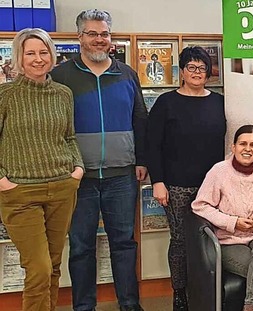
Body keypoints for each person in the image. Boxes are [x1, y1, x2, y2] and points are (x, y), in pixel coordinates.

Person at [50, 9, 147, 311]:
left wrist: (141, 160)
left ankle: (130, 305)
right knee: (80, 248)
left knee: (124, 245)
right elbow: (52, 127)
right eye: (92, 33)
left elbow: (140, 119)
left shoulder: (127, 74)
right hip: (79, 179)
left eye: (103, 33)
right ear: (79, 37)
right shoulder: (60, 77)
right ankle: (83, 307)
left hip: (122, 176)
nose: (99, 39)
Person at [0, 28, 84, 311]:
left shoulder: (63, 94)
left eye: (43, 52)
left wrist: (77, 169)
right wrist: (2, 181)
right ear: (19, 58)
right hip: (20, 193)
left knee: (53, 266)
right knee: (38, 269)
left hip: (62, 187)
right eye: (31, 53)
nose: (38, 59)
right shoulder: (6, 95)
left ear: (52, 55)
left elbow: (69, 136)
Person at [146, 46, 226, 310]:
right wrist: (158, 181)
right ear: (182, 71)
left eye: (202, 68)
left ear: (208, 73)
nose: (197, 72)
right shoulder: (166, 103)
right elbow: (152, 144)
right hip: (177, 184)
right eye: (191, 67)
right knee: (181, 240)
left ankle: (206, 290)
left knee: (214, 237)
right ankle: (180, 294)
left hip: (214, 184)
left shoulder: (218, 102)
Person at [192, 125, 253, 311]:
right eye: (242, 143)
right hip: (229, 240)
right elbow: (200, 206)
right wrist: (233, 222)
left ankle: (251, 306)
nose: (247, 149)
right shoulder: (219, 171)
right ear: (233, 147)